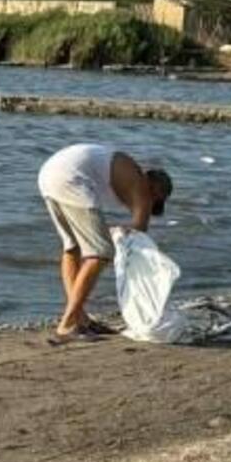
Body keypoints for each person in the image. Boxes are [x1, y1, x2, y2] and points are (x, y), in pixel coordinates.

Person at [36, 144, 173, 340]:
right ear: (155, 189)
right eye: (155, 201)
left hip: (49, 175)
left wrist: (119, 232)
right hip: (72, 179)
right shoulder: (142, 185)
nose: (151, 204)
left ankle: (80, 318)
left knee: (72, 248)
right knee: (101, 252)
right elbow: (139, 231)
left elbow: (131, 230)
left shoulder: (128, 174)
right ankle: (68, 323)